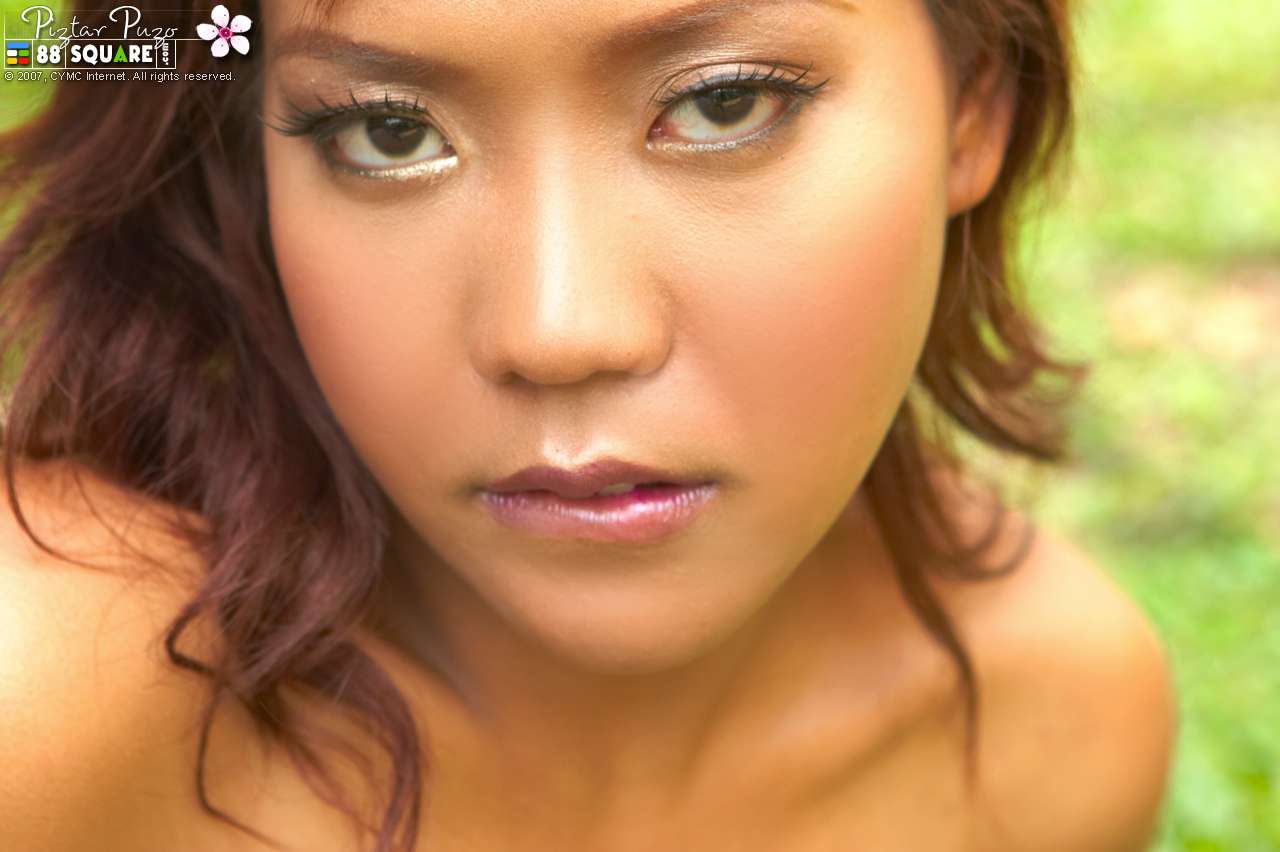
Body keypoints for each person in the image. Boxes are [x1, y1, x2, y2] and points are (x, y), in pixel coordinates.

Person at [0, 0, 1176, 849]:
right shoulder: (48, 702)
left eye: (723, 102)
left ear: (974, 107)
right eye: (387, 131)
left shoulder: (1049, 732)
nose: (556, 330)